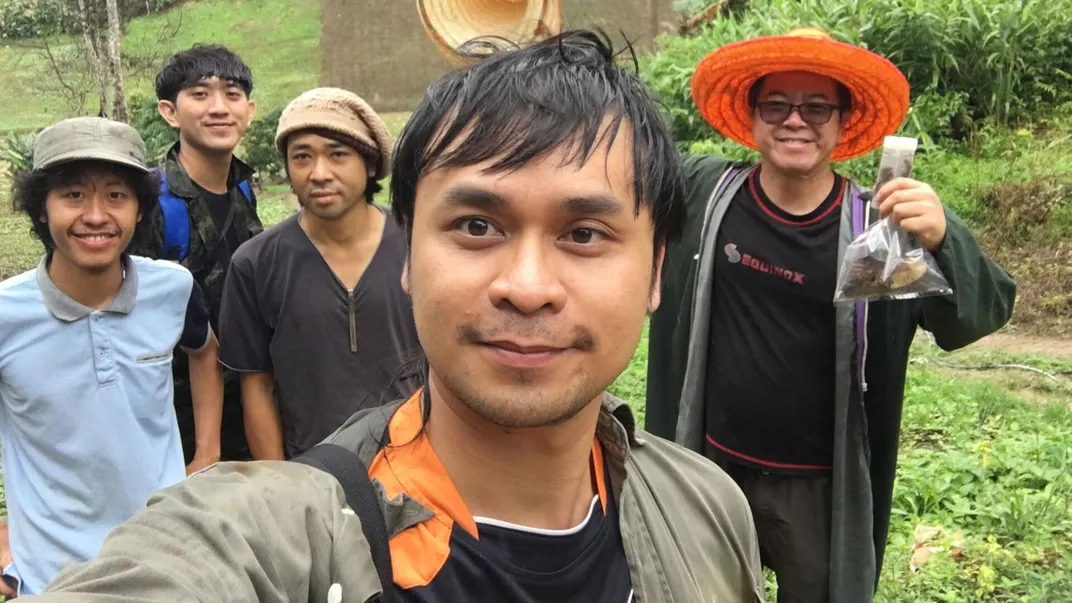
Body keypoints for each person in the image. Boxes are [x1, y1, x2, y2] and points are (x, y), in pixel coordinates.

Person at [33, 31, 768, 602]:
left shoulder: (704, 508)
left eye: (584, 234)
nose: (527, 285)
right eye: (477, 226)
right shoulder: (282, 536)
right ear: (409, 253)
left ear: (656, 272)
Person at [645, 27, 1017, 603]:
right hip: (711, 465)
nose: (796, 119)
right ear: (752, 116)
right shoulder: (703, 193)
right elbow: (615, 181)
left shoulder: (881, 233)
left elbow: (976, 318)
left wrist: (947, 239)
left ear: (843, 123)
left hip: (818, 487)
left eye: (817, 106)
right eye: (777, 104)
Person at [0, 116, 222, 596]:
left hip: (165, 553)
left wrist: (207, 452)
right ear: (41, 209)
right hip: (54, 574)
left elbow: (204, 353)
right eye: (74, 195)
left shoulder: (172, 287)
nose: (96, 216)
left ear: (140, 209)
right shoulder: (6, 315)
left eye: (116, 195)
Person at [218, 87, 421, 460]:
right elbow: (257, 385)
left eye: (338, 154)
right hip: (314, 473)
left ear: (371, 163)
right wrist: (281, 485)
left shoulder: (420, 246)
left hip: (420, 467)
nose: (319, 173)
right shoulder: (255, 264)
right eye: (302, 157)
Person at [128, 43, 263, 464]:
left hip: (245, 403)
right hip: (171, 424)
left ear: (250, 109)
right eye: (200, 94)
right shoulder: (150, 202)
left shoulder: (242, 187)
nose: (219, 108)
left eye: (232, 94)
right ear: (170, 112)